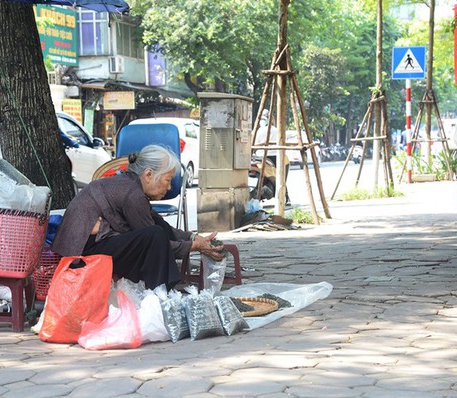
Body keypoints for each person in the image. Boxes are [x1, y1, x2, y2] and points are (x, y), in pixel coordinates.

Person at [51, 144, 225, 290]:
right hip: (82, 252)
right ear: (149, 175)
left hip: (96, 243)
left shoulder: (130, 185)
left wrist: (192, 237)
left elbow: (158, 224)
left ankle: (162, 291)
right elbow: (152, 239)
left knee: (157, 226)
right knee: (154, 236)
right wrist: (193, 246)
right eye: (167, 180)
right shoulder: (132, 194)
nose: (169, 187)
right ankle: (161, 293)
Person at [254, 110, 291, 204]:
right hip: (275, 157)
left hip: (260, 157)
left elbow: (255, 144)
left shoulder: (259, 130)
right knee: (281, 179)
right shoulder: (276, 130)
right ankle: (285, 196)